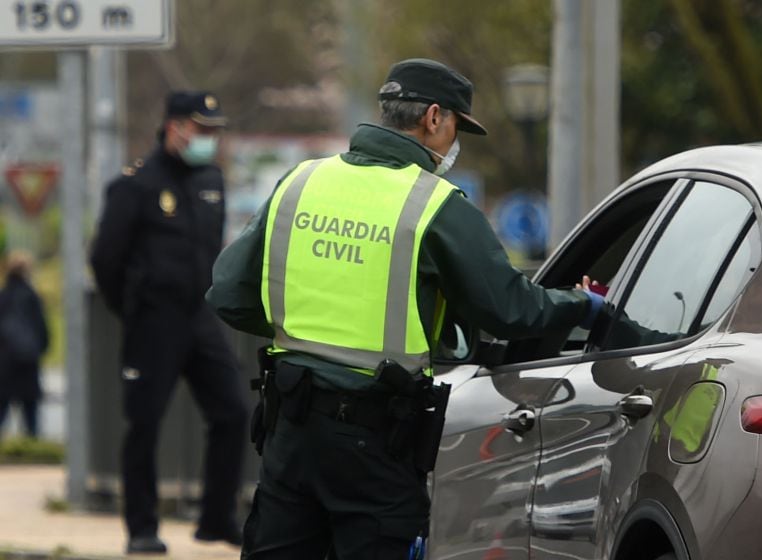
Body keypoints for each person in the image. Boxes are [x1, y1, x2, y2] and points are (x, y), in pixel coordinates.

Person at [206, 58, 604, 559]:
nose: (454, 144)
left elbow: (228, 292)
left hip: (291, 430)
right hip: (375, 441)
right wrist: (583, 306)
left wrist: (301, 330)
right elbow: (511, 309)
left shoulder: (302, 181)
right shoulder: (436, 204)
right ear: (434, 118)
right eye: (457, 127)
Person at [90, 91, 248, 555]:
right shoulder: (135, 185)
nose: (210, 140)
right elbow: (105, 260)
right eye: (202, 130)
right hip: (153, 321)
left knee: (234, 412)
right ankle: (141, 527)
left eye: (215, 131)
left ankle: (216, 518)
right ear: (175, 127)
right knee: (144, 425)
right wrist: (133, 308)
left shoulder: (211, 179)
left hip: (199, 316)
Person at [0, 251, 49, 439]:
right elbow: (42, 329)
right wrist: (40, 349)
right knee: (31, 415)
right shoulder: (32, 297)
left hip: (4, 363)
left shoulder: (3, 297)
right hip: (28, 360)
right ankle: (33, 445)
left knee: (2, 408)